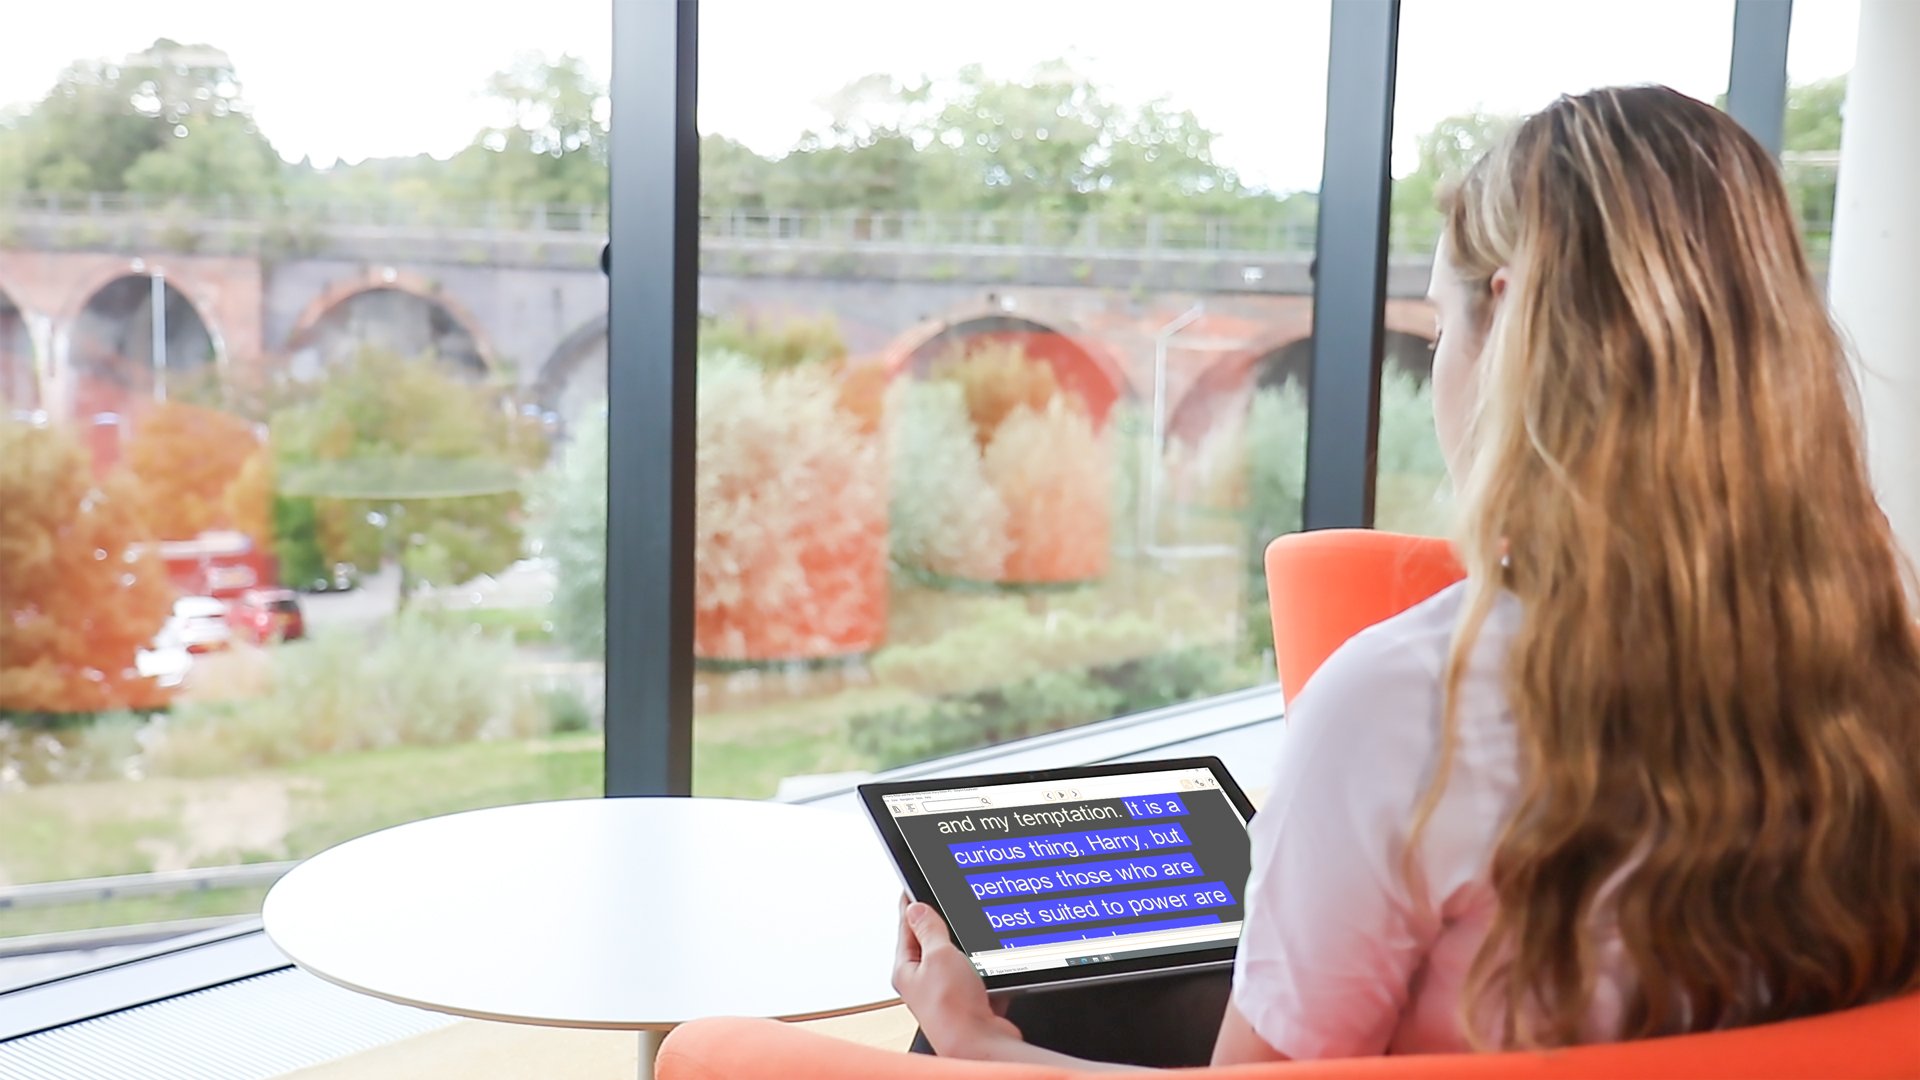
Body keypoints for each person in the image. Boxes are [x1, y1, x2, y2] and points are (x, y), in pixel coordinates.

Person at [891, 84, 1920, 1070]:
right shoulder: (1877, 652)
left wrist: (984, 1049)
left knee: (990, 1020)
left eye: (1442, 324)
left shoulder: (1408, 703)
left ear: (1511, 323)